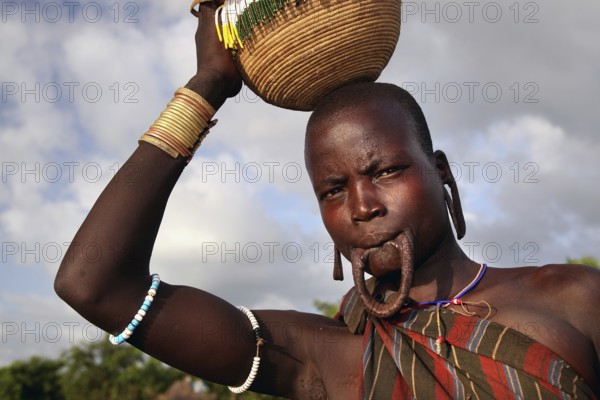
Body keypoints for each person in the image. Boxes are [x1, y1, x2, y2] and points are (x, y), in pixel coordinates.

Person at [54, 2, 600, 399]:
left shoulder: (576, 298)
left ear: (440, 173)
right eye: (333, 190)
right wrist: (207, 87)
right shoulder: (324, 355)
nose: (363, 206)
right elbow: (94, 285)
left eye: (386, 170)